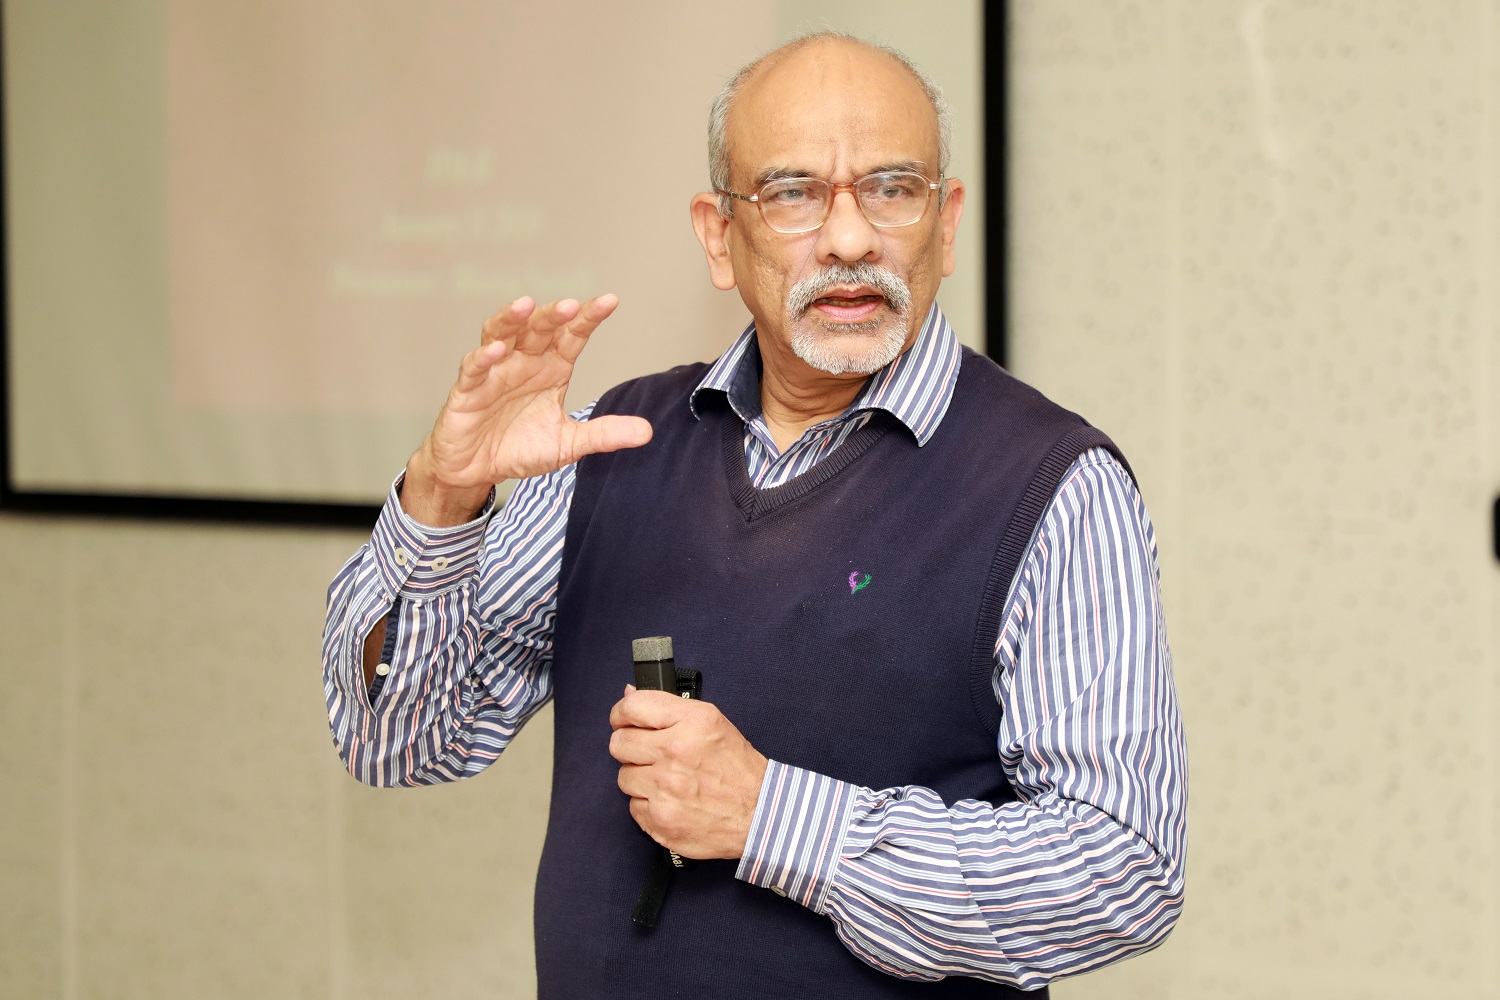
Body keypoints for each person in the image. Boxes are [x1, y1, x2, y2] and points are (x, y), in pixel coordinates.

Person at [322, 32, 1186, 998]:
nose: (850, 238)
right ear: (716, 234)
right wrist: (444, 501)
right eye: (794, 194)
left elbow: (1123, 874)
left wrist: (773, 816)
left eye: (892, 189)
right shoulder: (616, 444)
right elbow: (399, 740)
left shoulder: (1052, 484)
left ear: (945, 223)